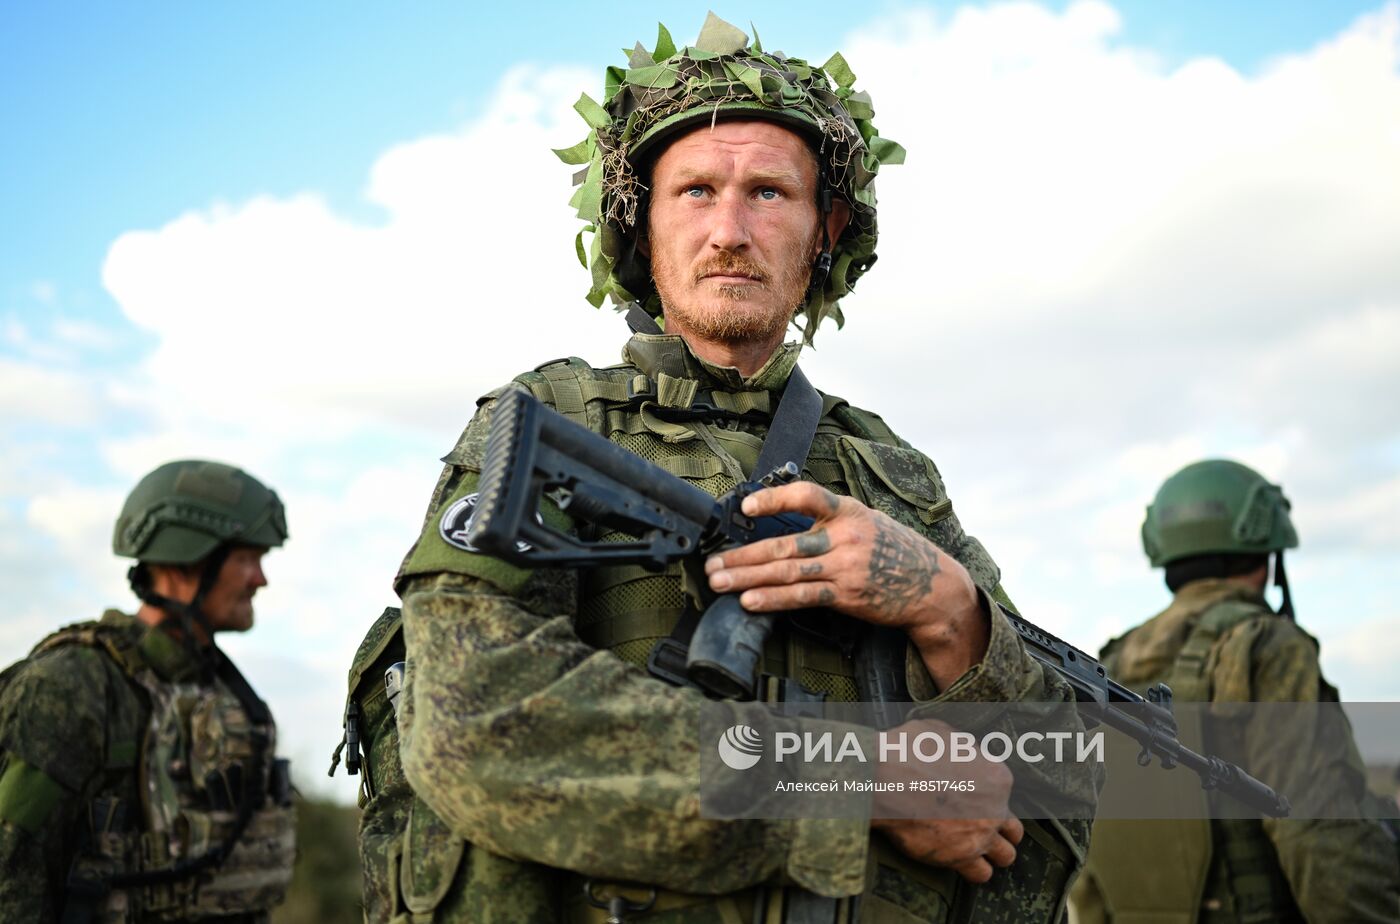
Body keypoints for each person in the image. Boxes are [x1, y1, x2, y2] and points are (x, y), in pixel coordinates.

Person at [358, 14, 1096, 922]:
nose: (730, 232)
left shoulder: (892, 474)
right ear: (642, 224)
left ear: (824, 227)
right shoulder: (549, 424)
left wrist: (947, 610)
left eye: (770, 194)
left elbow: (1057, 793)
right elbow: (481, 723)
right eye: (697, 191)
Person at [1069, 459, 1400, 922]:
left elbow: (1090, 858)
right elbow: (1319, 834)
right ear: (1266, 551)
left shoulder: (1112, 663)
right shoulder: (1267, 645)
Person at [0, 460, 297, 923]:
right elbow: (12, 871)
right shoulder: (70, 688)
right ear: (187, 562)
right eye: (246, 559)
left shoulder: (224, 693)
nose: (260, 579)